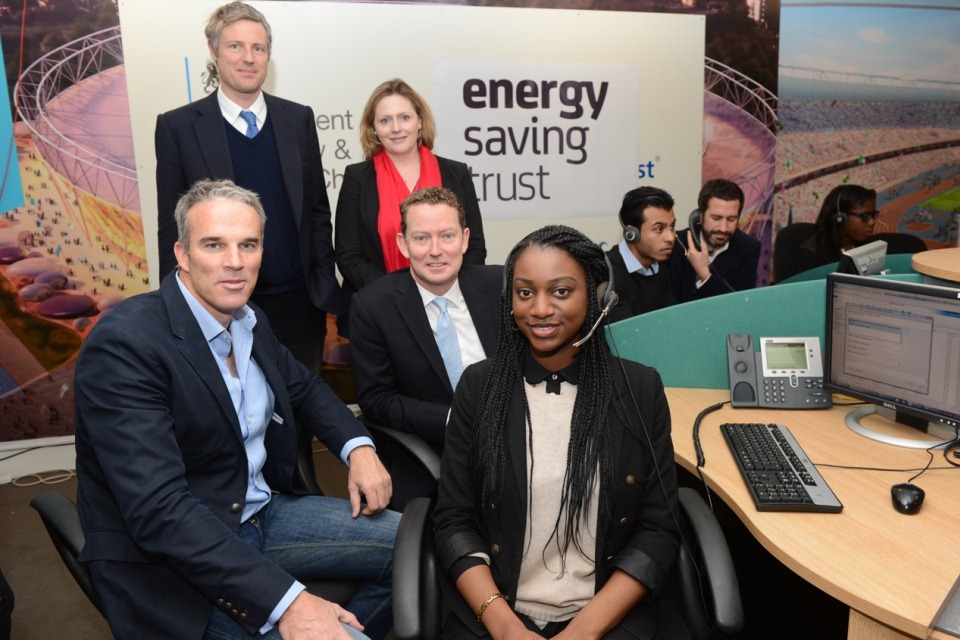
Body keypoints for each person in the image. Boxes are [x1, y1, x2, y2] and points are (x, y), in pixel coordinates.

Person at [74, 180, 399, 640]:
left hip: (260, 513)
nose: (235, 262)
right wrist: (291, 603)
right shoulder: (126, 345)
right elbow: (160, 511)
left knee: (419, 547)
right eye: (214, 245)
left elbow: (304, 388)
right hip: (174, 560)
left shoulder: (249, 319)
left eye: (248, 245)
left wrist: (358, 447)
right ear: (182, 255)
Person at [434, 225, 682, 639]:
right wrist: (507, 628)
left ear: (598, 298)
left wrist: (581, 633)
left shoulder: (639, 389)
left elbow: (657, 530)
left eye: (562, 291)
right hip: (499, 614)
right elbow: (454, 522)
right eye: (525, 292)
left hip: (604, 616)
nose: (540, 308)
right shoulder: (479, 388)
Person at [155, 1, 341, 372]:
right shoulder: (178, 128)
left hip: (299, 303)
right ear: (214, 52)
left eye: (258, 48)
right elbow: (169, 228)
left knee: (299, 417)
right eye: (235, 46)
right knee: (230, 417)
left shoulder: (297, 119)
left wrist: (321, 285)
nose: (248, 58)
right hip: (219, 302)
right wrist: (176, 306)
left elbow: (317, 210)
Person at [349, 187, 501, 509]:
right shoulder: (373, 306)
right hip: (431, 449)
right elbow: (377, 399)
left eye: (447, 236)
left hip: (510, 441)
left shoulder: (500, 286)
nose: (435, 251)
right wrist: (454, 419)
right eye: (421, 238)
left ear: (464, 239)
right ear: (403, 244)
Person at [334, 78, 486, 336]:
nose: (396, 128)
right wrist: (400, 295)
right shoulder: (357, 178)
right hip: (379, 311)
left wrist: (440, 292)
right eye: (385, 120)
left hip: (449, 307)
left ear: (420, 121)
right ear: (373, 129)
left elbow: (475, 246)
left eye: (404, 117)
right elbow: (349, 255)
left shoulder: (455, 173)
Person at [669, 179, 761, 301]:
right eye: (716, 218)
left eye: (731, 219)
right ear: (700, 215)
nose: (723, 228)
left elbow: (741, 304)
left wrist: (705, 275)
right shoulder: (677, 242)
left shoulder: (748, 247)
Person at [606, 186, 678, 322]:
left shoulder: (660, 267)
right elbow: (627, 336)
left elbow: (673, 321)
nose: (671, 237)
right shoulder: (608, 272)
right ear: (631, 234)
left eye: (672, 227)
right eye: (659, 229)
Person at [796, 184, 878, 273]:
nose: (871, 222)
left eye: (873, 215)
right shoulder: (813, 255)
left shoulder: (869, 246)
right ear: (840, 217)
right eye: (865, 216)